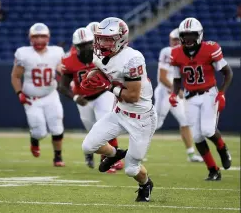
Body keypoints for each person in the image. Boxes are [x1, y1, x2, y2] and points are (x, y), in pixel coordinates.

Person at [81, 17, 157, 202]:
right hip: (119, 112)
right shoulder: (99, 54)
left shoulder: (133, 59)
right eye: (100, 38)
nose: (102, 43)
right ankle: (117, 154)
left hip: (142, 119)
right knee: (88, 146)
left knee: (131, 168)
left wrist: (106, 86)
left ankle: (145, 184)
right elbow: (103, 70)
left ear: (121, 39)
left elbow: (133, 96)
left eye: (108, 39)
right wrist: (93, 75)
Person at [170, 17, 233, 181]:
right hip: (190, 97)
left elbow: (227, 72)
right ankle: (213, 170)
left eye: (191, 35)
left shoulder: (210, 48)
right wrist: (173, 93)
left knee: (207, 130)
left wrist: (222, 93)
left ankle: (222, 148)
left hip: (209, 93)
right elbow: (177, 79)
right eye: (185, 36)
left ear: (199, 35)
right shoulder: (176, 53)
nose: (188, 39)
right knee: (197, 136)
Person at [59, 25, 123, 173]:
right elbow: (62, 86)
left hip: (103, 93)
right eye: (82, 45)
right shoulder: (69, 60)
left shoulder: (103, 53)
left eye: (88, 43)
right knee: (92, 131)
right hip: (84, 99)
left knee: (105, 123)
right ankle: (90, 152)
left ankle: (112, 159)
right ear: (76, 46)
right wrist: (75, 97)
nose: (86, 47)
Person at [11, 23, 65, 167]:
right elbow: (15, 76)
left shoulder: (57, 52)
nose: (39, 40)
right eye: (36, 36)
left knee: (57, 125)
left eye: (42, 36)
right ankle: (34, 140)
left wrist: (61, 71)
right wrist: (19, 93)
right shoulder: (24, 53)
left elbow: (61, 70)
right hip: (31, 98)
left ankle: (57, 157)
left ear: (48, 38)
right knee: (40, 132)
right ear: (30, 38)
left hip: (50, 94)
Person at [154, 28, 203, 162]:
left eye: (177, 39)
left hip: (175, 95)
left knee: (185, 121)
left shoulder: (186, 54)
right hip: (165, 94)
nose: (175, 42)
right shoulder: (167, 52)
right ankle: (135, 150)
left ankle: (191, 154)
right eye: (173, 39)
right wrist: (177, 90)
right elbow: (163, 78)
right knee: (155, 124)